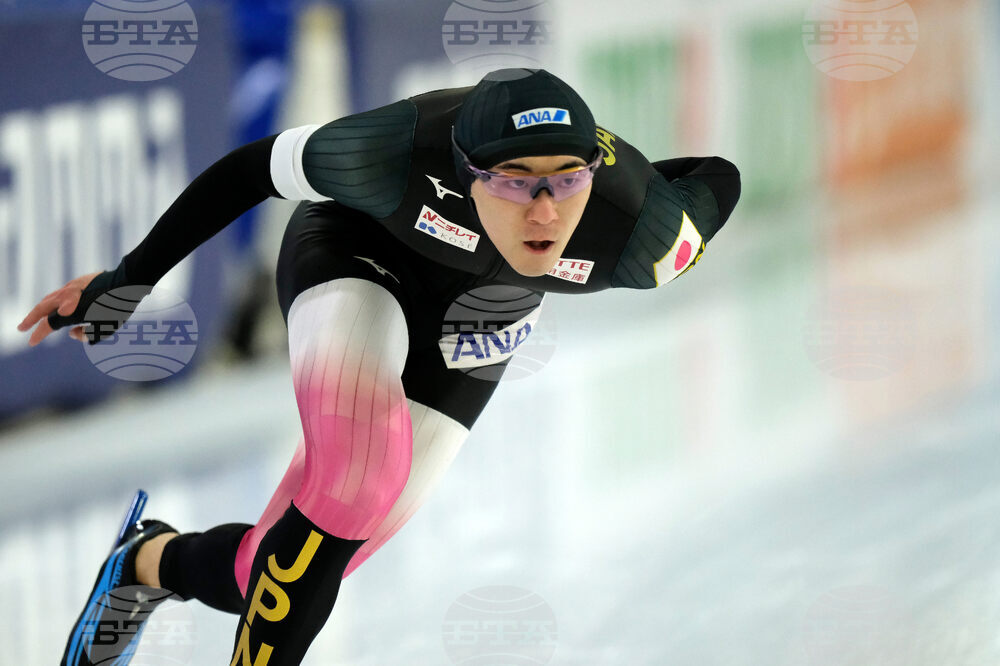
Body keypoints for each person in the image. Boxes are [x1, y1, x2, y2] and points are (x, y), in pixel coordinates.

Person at [18, 68, 740, 665]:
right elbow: (248, 171)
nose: (545, 214)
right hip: (355, 255)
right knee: (358, 474)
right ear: (463, 172)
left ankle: (148, 562)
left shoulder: (643, 237)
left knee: (282, 566)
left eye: (567, 181)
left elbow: (718, 176)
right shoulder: (390, 151)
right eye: (515, 181)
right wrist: (129, 278)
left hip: (481, 320)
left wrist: (633, 185)